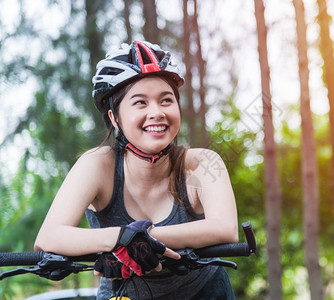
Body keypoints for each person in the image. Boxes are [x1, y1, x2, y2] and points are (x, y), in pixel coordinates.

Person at [34, 40, 239, 300]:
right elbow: (49, 236)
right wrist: (123, 238)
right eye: (140, 103)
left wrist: (141, 238)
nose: (157, 112)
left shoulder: (202, 163)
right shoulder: (98, 164)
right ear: (114, 118)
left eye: (166, 100)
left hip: (204, 293)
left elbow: (225, 228)